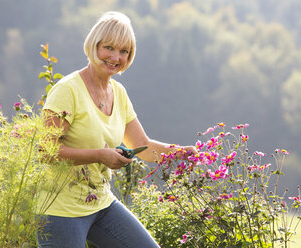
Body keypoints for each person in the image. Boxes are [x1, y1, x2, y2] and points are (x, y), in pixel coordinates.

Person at [37, 11, 196, 248]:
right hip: (61, 211)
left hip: (100, 204)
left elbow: (143, 146)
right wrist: (100, 155)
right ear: (94, 46)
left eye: (124, 51)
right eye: (108, 48)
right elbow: (46, 152)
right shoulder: (67, 90)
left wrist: (180, 153)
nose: (115, 57)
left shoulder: (118, 93)